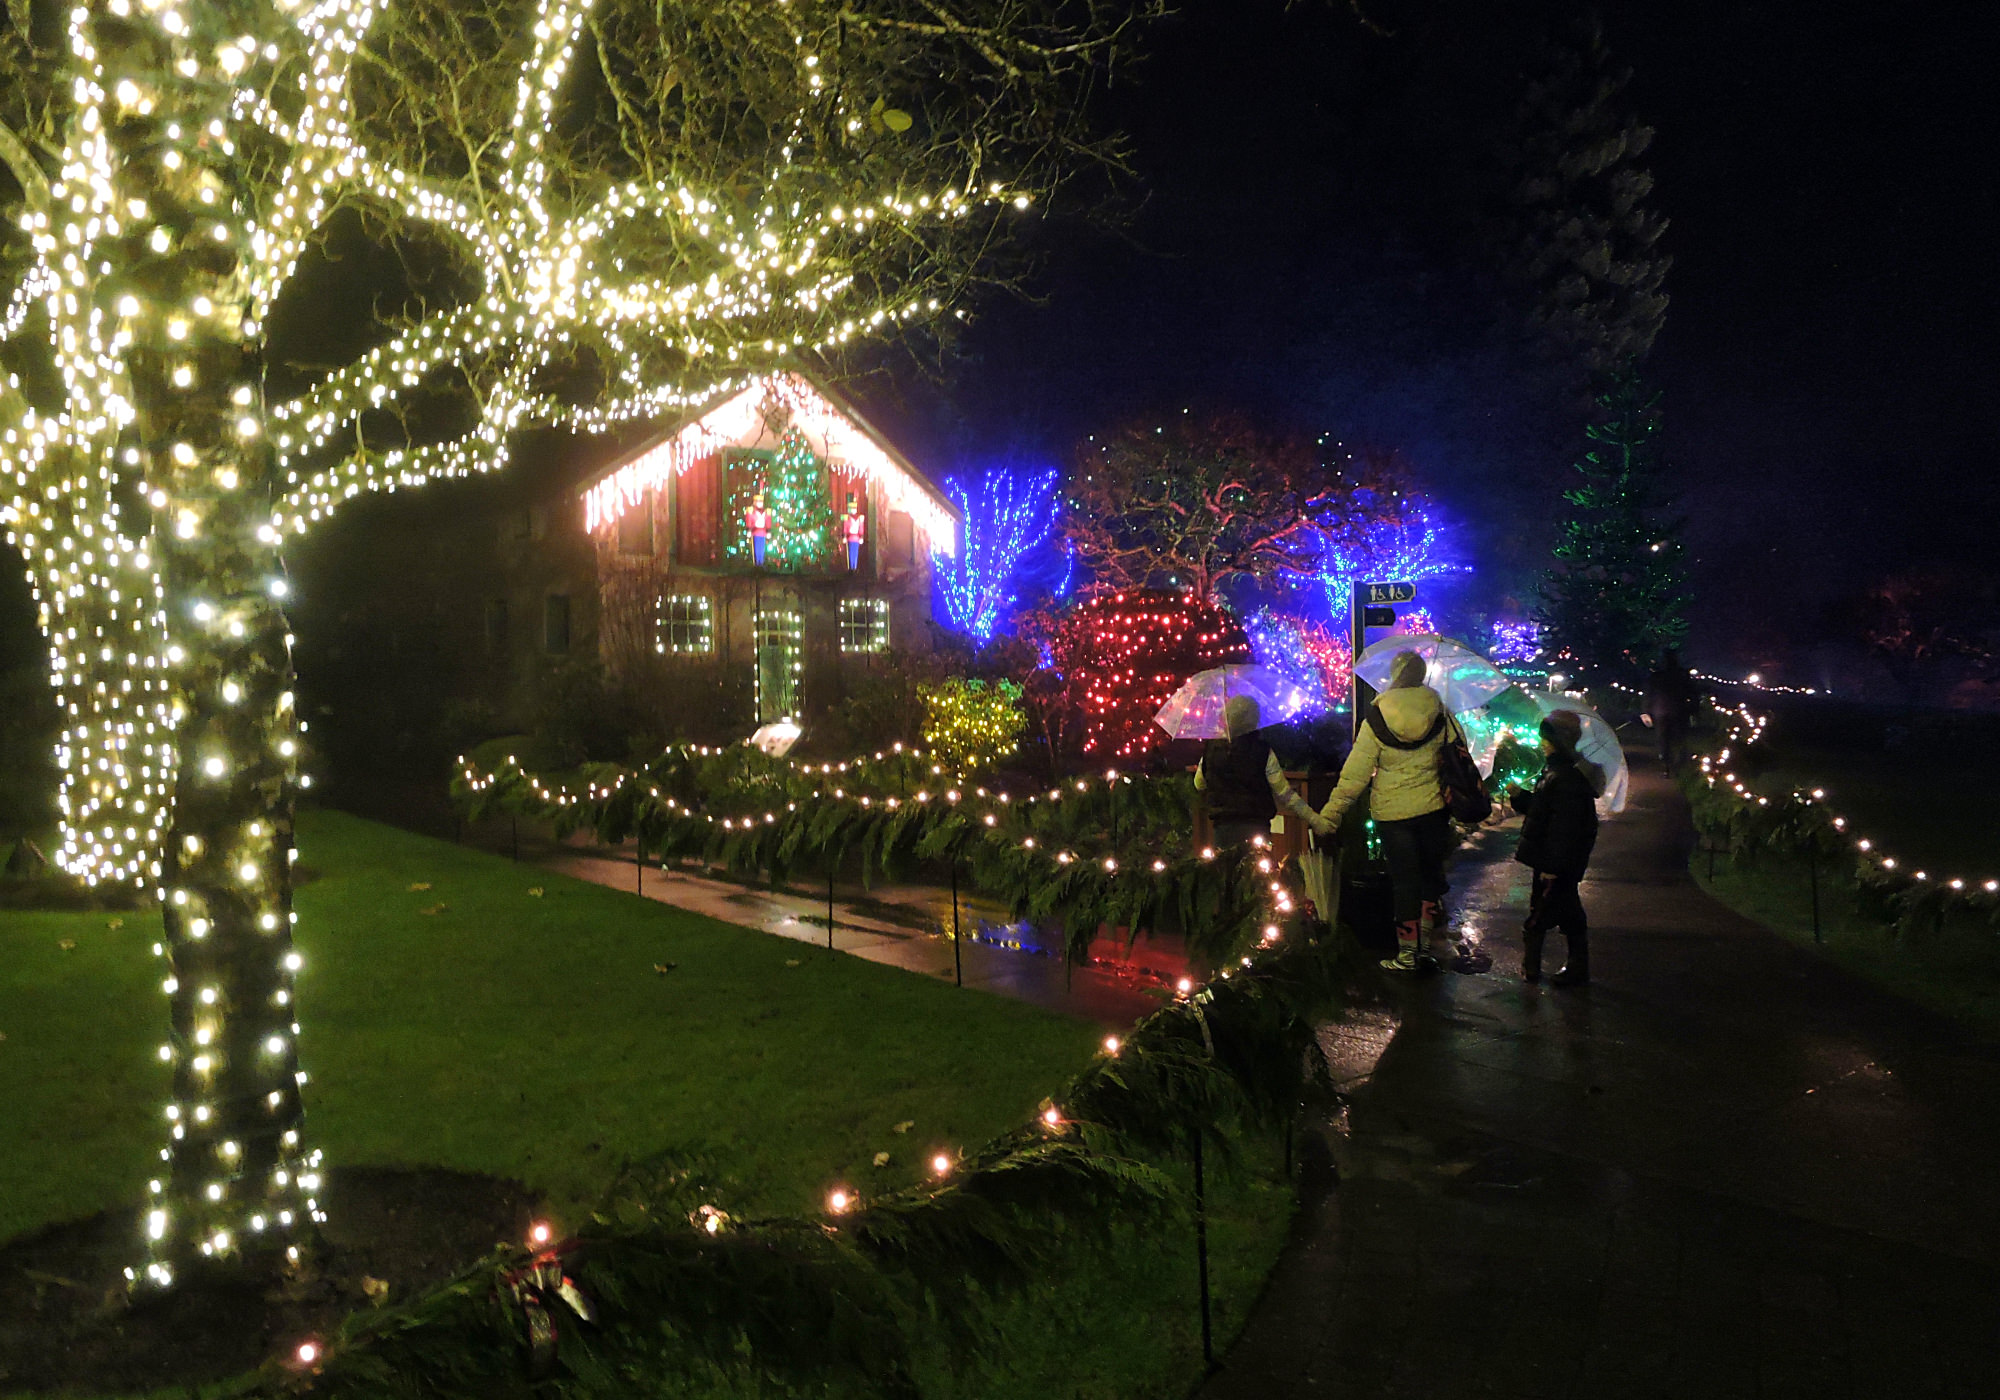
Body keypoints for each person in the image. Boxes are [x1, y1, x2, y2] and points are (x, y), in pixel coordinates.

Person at [1318, 650, 1461, 972]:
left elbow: (1355, 775)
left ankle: (1407, 955)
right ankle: (1425, 948)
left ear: (1395, 674)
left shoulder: (1377, 717)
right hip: (1433, 808)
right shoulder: (1440, 712)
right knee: (1429, 878)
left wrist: (1332, 813)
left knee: (1404, 882)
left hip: (1393, 814)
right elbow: (1459, 755)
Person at [1510, 709, 1601, 987]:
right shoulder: (1556, 771)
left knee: (1540, 915)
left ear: (1559, 741)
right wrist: (1520, 798)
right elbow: (1543, 812)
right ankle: (1574, 967)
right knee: (1567, 912)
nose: (1541, 744)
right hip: (1555, 861)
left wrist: (1552, 868)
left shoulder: (1567, 778)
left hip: (1556, 863)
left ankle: (1534, 970)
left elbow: (1564, 829)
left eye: (1546, 739)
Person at [1194, 694, 1332, 851]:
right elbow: (1285, 794)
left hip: (1223, 829)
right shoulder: (1262, 750)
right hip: (1256, 828)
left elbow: (1199, 783)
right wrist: (1314, 820)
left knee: (1226, 873)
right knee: (1257, 873)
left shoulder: (1212, 748)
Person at [1644, 649, 1698, 772]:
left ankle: (1666, 763)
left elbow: (1649, 693)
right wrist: (1694, 709)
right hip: (1678, 709)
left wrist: (1646, 709)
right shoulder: (1681, 674)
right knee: (1679, 736)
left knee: (1663, 737)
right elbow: (1692, 692)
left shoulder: (1656, 675)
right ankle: (1680, 762)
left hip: (1660, 710)